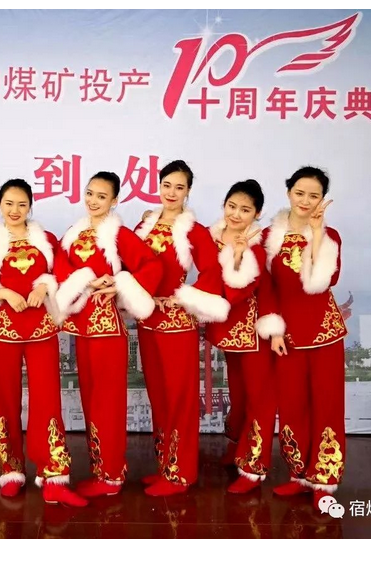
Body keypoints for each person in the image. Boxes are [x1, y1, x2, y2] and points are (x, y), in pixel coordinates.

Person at [0, 178, 87, 507]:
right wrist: (2, 292)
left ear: (30, 206)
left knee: (47, 400)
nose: (15, 210)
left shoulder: (46, 241)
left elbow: (63, 274)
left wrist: (45, 285)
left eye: (22, 204)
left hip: (41, 330)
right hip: (3, 331)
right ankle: (11, 470)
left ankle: (54, 474)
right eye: (9, 203)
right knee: (4, 399)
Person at [54, 171, 162, 498]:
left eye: (101, 196)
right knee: (90, 401)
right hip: (81, 328)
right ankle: (102, 471)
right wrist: (85, 280)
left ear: (114, 201)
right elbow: (60, 266)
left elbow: (152, 265)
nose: (93, 200)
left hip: (108, 330)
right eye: (90, 193)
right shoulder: (73, 232)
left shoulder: (119, 234)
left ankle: (112, 476)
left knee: (108, 404)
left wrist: (120, 284)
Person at [134, 160, 230, 497]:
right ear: (158, 186)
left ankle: (180, 473)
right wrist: (142, 295)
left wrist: (181, 297)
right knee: (158, 396)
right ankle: (165, 465)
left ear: (188, 191)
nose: (172, 193)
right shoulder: (144, 226)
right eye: (167, 185)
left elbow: (212, 274)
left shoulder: (195, 231)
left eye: (179, 187)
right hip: (148, 319)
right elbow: (132, 266)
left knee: (180, 399)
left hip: (177, 324)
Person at [262, 166, 346, 509]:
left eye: (314, 195)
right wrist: (273, 329)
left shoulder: (330, 235)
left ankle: (324, 478)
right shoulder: (270, 235)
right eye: (300, 193)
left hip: (324, 332)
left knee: (327, 404)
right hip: (288, 335)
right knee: (292, 404)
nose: (305, 201)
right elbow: (266, 286)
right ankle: (299, 475)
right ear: (288, 193)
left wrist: (317, 232)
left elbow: (325, 281)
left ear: (322, 199)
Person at [206, 179, 283, 494]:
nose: (236, 214)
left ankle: (254, 467)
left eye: (245, 209)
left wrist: (273, 329)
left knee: (259, 398)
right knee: (238, 395)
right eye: (231, 206)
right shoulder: (211, 237)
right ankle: (236, 446)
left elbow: (256, 288)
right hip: (227, 330)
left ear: (257, 213)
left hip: (255, 332)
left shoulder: (259, 246)